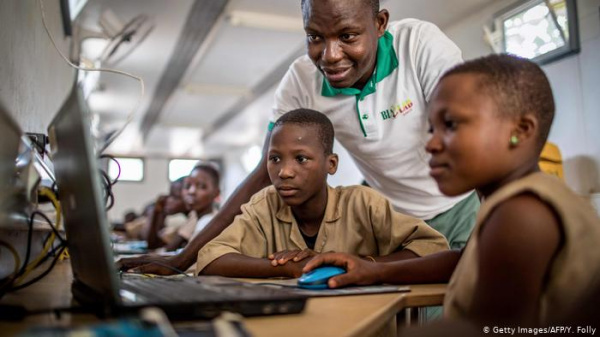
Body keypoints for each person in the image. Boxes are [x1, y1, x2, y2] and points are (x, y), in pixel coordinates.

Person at [116, 0, 478, 275]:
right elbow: (262, 172)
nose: (330, 56)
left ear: (380, 23)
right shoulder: (300, 81)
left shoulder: (420, 45)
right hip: (389, 217)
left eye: (347, 36)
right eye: (315, 38)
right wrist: (181, 258)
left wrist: (502, 213)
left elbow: (464, 132)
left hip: (458, 206)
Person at [302, 54, 600, 326]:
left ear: (520, 131)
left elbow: (483, 330)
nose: (430, 143)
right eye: (432, 128)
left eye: (451, 125)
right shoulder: (512, 203)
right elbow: (465, 258)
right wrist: (374, 270)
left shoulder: (523, 215)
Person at [196, 109, 448, 277]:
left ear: (331, 164)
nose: (284, 172)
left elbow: (433, 248)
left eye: (301, 158)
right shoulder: (265, 204)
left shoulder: (363, 203)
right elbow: (209, 258)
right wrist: (289, 268)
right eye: (274, 159)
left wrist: (360, 264)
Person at [146, 164, 221, 251]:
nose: (191, 191)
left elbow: (178, 256)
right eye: (188, 186)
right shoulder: (195, 216)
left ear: (216, 193)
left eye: (201, 186)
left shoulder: (207, 222)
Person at [143, 177, 189, 249]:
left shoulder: (193, 220)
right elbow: (153, 244)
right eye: (169, 195)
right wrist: (157, 212)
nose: (168, 200)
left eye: (175, 197)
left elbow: (167, 249)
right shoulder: (183, 221)